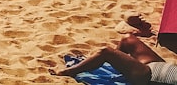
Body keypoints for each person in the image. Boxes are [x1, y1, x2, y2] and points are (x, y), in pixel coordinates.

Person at [48, 35, 177, 85]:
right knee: (128, 40)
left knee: (106, 52)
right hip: (159, 66)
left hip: (148, 77)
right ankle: (120, 69)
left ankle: (69, 71)